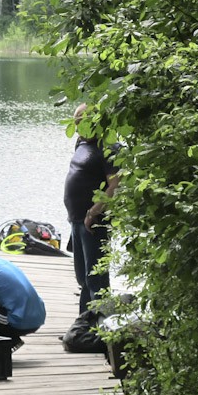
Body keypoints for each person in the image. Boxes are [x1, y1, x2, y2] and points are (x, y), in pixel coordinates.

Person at [63, 103, 121, 313]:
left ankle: (102, 330)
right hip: (76, 220)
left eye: (81, 123)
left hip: (94, 221)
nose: (77, 128)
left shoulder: (109, 146)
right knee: (83, 276)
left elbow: (115, 184)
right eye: (76, 123)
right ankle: (84, 327)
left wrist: (93, 211)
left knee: (96, 278)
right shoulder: (82, 143)